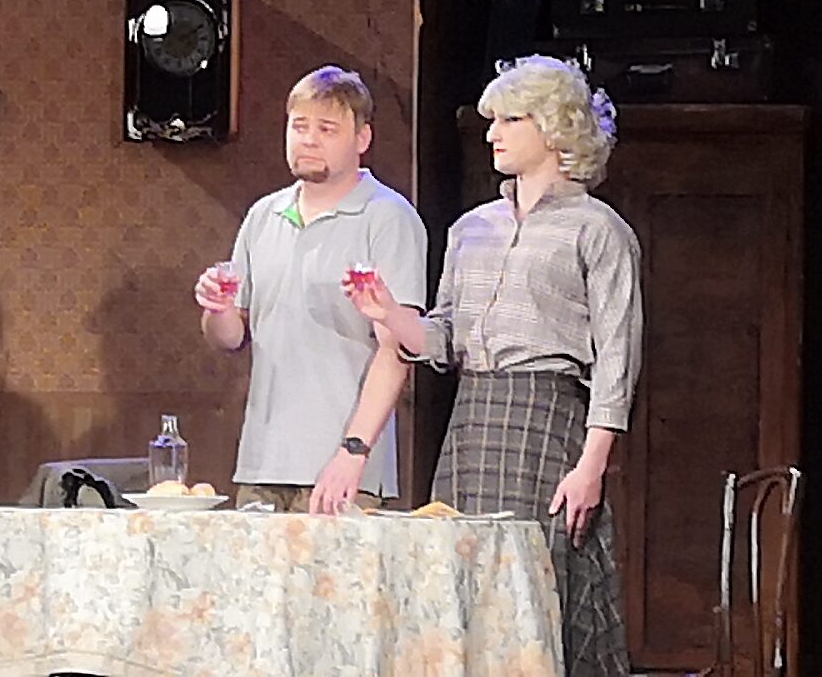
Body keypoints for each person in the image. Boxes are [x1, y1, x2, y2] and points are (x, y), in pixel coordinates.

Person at [348, 55, 641, 674]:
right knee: (460, 581)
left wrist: (592, 465)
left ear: (554, 128)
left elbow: (617, 359)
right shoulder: (470, 229)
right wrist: (389, 313)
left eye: (510, 119)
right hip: (474, 420)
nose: (492, 133)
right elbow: (443, 337)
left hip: (547, 420)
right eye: (491, 120)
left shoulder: (598, 231)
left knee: (541, 587)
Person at [193, 65, 427, 515]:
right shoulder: (264, 215)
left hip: (341, 470)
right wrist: (217, 308)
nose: (309, 140)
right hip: (262, 464)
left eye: (327, 129)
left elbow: (397, 348)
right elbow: (231, 337)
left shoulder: (387, 216)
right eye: (299, 126)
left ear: (362, 138)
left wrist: (353, 451)